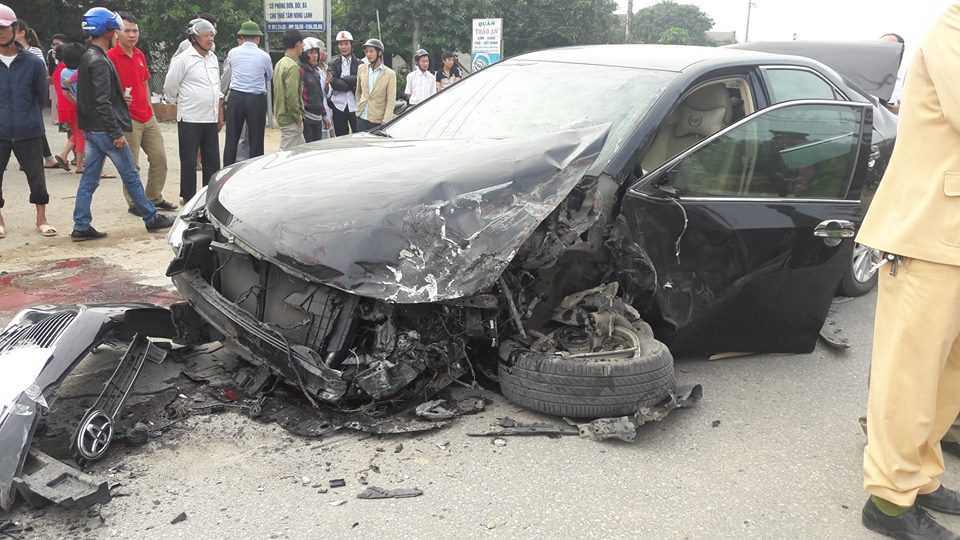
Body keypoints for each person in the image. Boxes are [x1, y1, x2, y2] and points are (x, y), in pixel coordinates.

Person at [858, 4, 960, 539]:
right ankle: (890, 501)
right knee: (910, 377)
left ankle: (920, 476)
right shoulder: (954, 27)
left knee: (947, 376)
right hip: (927, 231)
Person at [72, 7, 174, 240]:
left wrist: (118, 100)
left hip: (92, 129)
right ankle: (151, 217)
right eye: (115, 28)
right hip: (105, 130)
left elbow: (92, 97)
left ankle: (81, 224)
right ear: (108, 31)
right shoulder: (100, 60)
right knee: (131, 173)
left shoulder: (88, 56)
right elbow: (101, 101)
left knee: (89, 180)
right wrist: (115, 132)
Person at [108, 11, 176, 216]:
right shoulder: (110, 58)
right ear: (117, 33)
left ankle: (154, 197)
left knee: (159, 159)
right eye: (127, 31)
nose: (132, 35)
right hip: (127, 119)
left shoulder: (139, 54)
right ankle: (135, 203)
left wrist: (150, 108)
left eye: (135, 31)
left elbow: (145, 82)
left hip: (147, 115)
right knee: (131, 165)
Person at [0, 3, 55, 239]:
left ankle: (41, 219)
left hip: (29, 129)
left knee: (37, 177)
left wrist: (27, 115)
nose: (1, 32)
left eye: (4, 28)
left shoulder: (33, 63)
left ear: (15, 28)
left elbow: (42, 97)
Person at [163, 17, 223, 204]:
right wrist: (176, 101)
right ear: (194, 38)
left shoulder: (213, 58)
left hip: (210, 117)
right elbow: (170, 86)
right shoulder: (183, 59)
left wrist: (219, 112)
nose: (210, 38)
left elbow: (216, 86)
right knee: (189, 160)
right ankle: (188, 197)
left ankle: (209, 197)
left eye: (211, 35)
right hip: (190, 117)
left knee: (212, 161)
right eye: (206, 35)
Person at [13, 20, 63, 171]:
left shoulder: (34, 51)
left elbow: (41, 72)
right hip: (13, 94)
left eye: (13, 30)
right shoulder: (9, 50)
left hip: (29, 94)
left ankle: (41, 158)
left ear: (22, 32)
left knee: (34, 126)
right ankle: (37, 158)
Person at [222, 20, 271, 165]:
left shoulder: (233, 53)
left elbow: (228, 72)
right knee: (256, 139)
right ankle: (255, 170)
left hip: (236, 97)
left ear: (242, 37)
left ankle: (227, 168)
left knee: (232, 137)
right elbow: (269, 76)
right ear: (258, 38)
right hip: (256, 99)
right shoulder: (264, 56)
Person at [273, 29, 305, 150]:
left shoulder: (280, 63)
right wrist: (298, 117)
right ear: (297, 44)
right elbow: (292, 97)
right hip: (290, 119)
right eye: (302, 43)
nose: (303, 46)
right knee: (285, 154)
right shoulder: (292, 67)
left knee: (301, 152)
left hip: (281, 114)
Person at [56, 42, 85, 174]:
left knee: (77, 133)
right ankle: (79, 165)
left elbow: (65, 92)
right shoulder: (83, 71)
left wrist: (76, 102)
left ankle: (63, 155)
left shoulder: (64, 72)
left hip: (73, 105)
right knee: (81, 136)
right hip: (86, 107)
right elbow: (79, 74)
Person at [355, 38, 395, 132]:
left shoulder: (390, 74)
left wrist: (386, 121)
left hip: (378, 120)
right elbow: (358, 91)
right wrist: (358, 106)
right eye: (366, 52)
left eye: (371, 51)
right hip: (361, 117)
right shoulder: (361, 68)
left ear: (379, 52)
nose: (368, 54)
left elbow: (391, 100)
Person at [300, 37, 331, 143]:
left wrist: (324, 115)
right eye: (311, 53)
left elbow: (319, 95)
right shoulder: (300, 71)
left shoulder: (316, 72)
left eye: (316, 52)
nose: (315, 56)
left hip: (318, 118)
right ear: (304, 55)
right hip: (306, 119)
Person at [329, 30, 358, 136]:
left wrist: (342, 78)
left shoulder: (359, 63)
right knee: (341, 138)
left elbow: (360, 80)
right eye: (341, 44)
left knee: (359, 136)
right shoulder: (332, 63)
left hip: (355, 105)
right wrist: (351, 82)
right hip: (338, 106)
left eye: (346, 44)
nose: (343, 47)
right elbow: (333, 82)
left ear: (351, 45)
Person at [880, 33, 907, 114]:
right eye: (880, 47)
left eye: (889, 47)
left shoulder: (906, 76)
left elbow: (901, 110)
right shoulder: (869, 74)